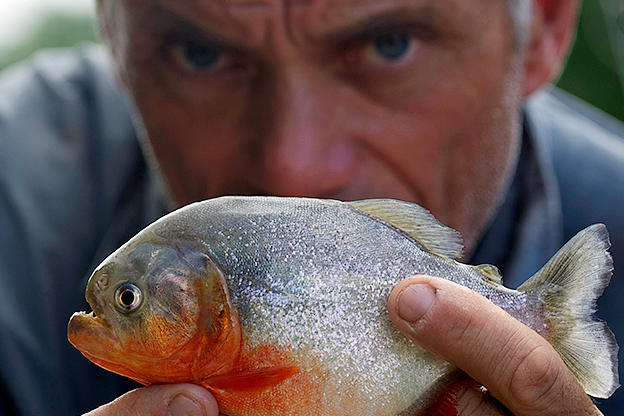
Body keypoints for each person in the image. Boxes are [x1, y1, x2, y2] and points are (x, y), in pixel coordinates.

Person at [0, 0, 622, 414]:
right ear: (114, 43)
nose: (289, 170)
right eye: (202, 54)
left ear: (541, 26)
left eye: (390, 44)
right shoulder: (14, 212)